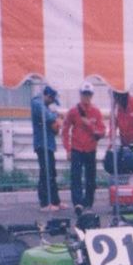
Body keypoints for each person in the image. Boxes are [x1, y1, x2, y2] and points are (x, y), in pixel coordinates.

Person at [62, 82, 106, 211]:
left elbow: (102, 131)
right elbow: (65, 130)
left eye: (89, 94)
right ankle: (77, 203)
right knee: (76, 177)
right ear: (80, 95)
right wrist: (68, 149)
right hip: (76, 149)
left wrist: (90, 125)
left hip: (91, 149)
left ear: (92, 96)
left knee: (90, 178)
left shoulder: (96, 112)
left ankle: (88, 203)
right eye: (84, 94)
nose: (86, 97)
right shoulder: (73, 111)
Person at [30, 84, 63, 210]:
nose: (52, 103)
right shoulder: (37, 103)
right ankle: (44, 203)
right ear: (48, 96)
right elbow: (48, 116)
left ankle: (55, 201)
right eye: (52, 100)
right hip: (42, 143)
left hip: (49, 144)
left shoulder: (45, 106)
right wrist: (57, 117)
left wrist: (56, 119)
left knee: (52, 173)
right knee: (45, 173)